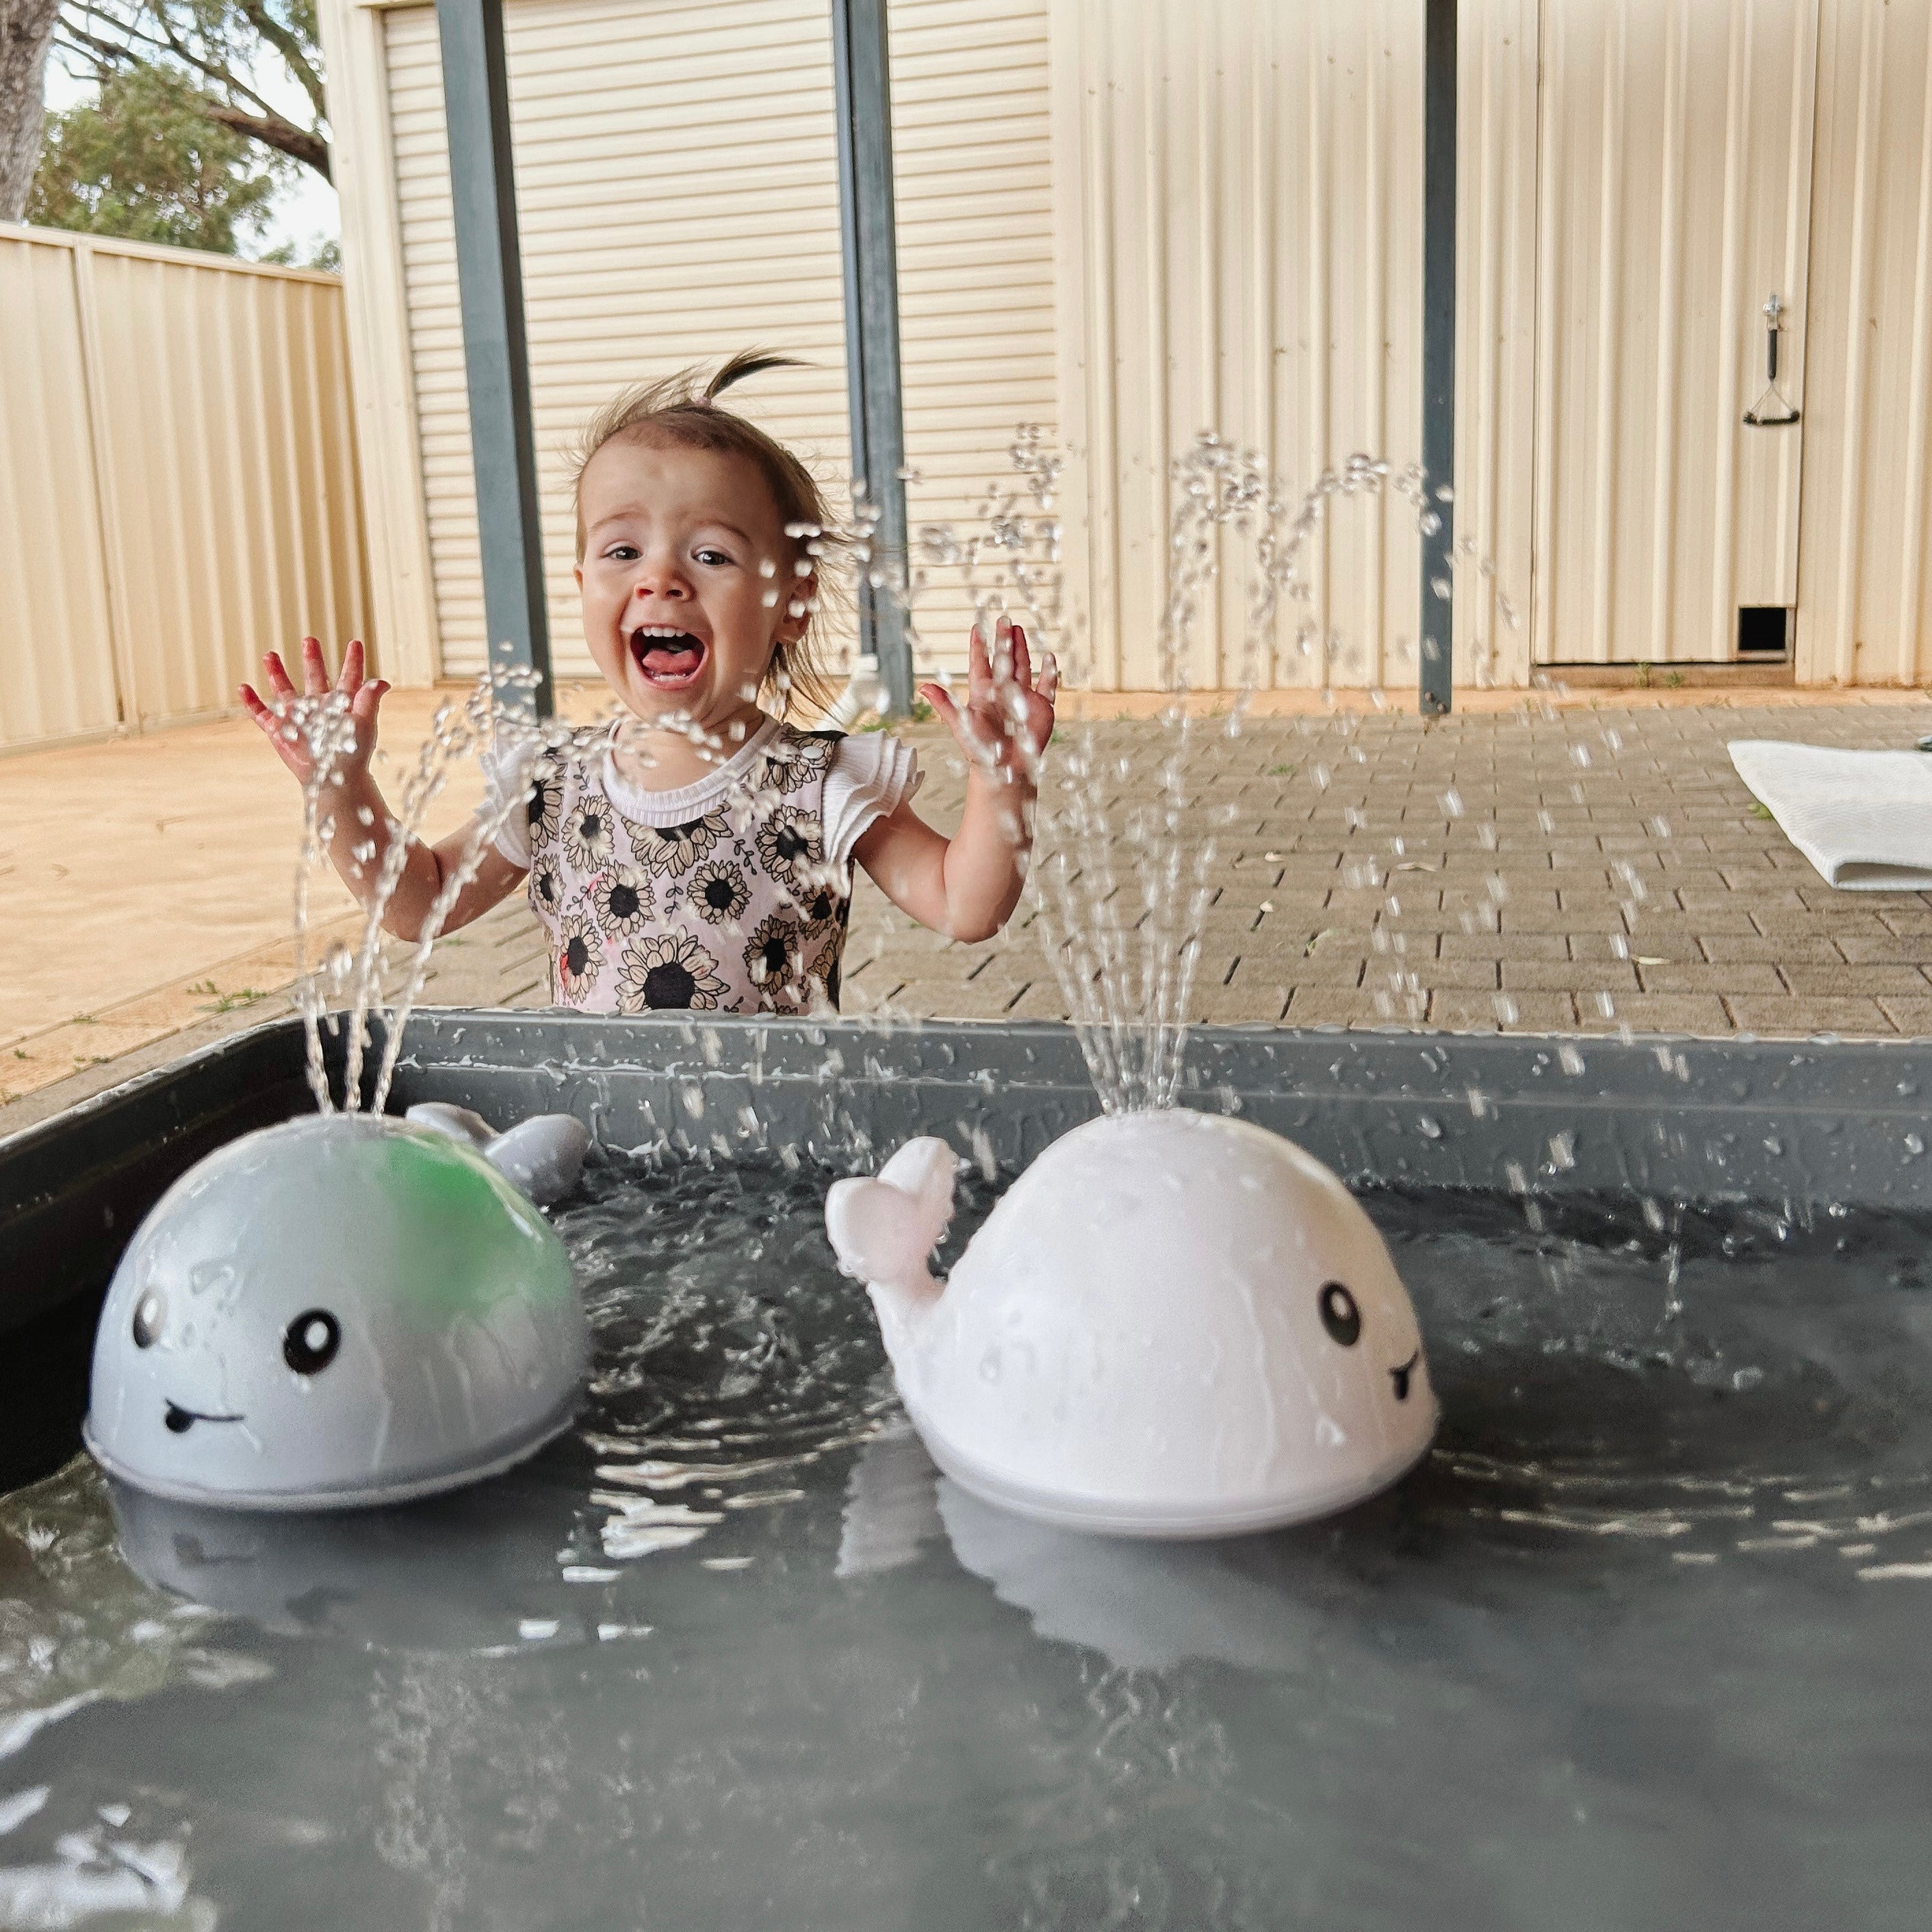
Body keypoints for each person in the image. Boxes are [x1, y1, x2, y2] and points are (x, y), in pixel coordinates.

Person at [239, 352, 1057, 1014]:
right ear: (583, 579)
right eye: (623, 551)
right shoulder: (550, 785)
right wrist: (342, 789)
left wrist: (1002, 781)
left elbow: (965, 906)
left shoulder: (820, 784)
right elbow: (416, 905)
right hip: (601, 1149)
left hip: (774, 1148)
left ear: (792, 605)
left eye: (711, 555)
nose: (660, 578)